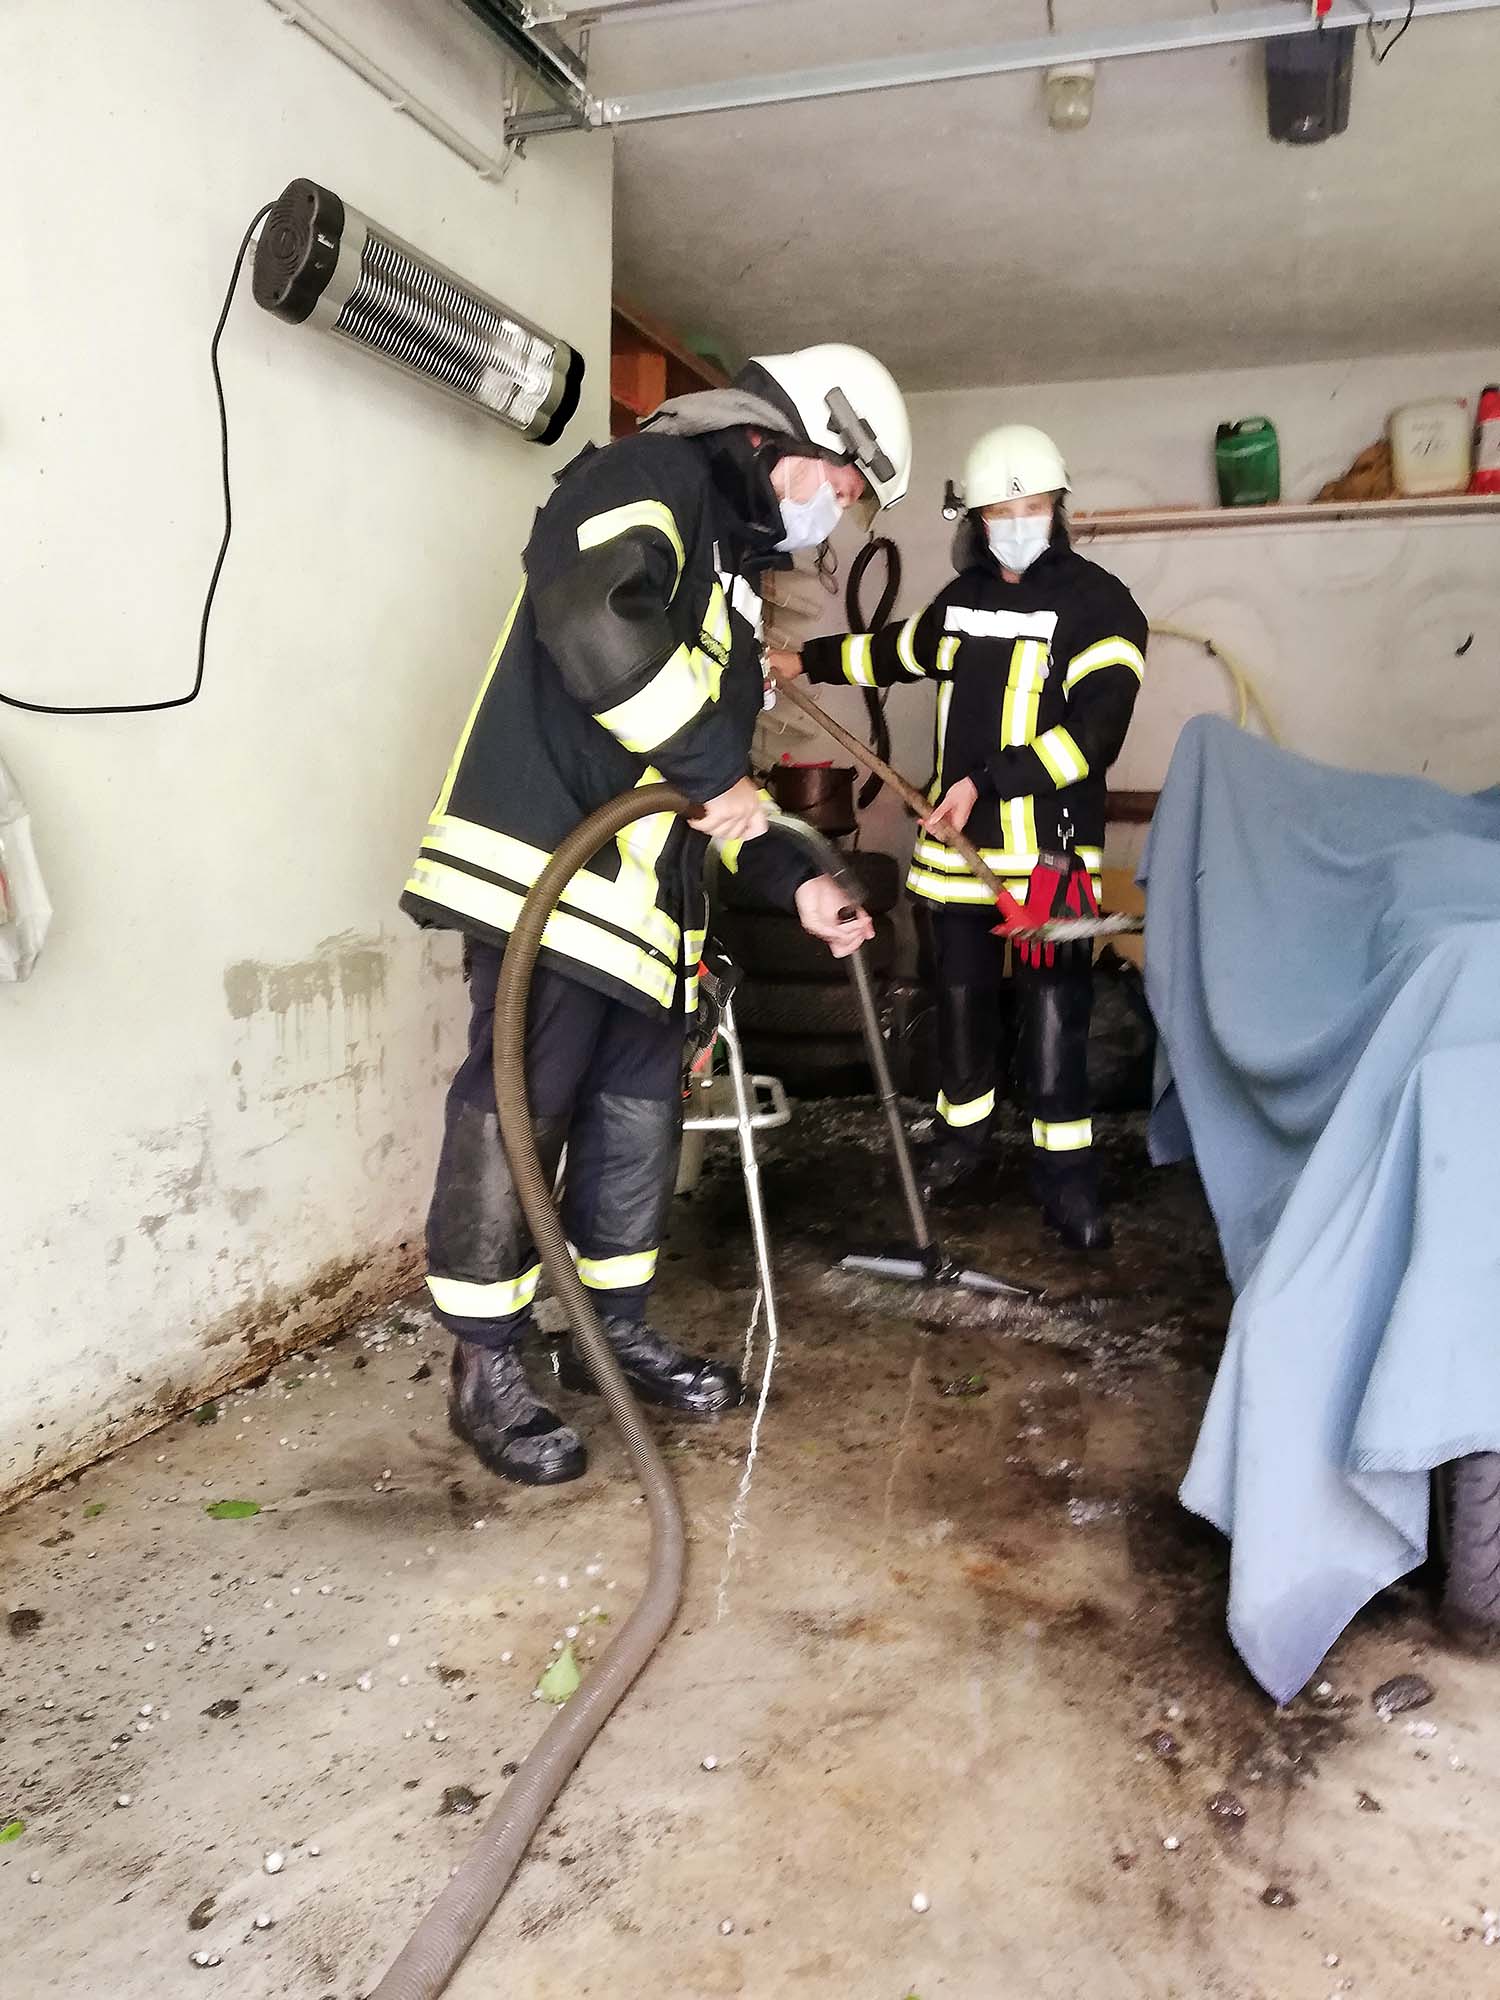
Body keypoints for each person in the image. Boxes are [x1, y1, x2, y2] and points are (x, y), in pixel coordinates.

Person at [401, 346, 912, 1483]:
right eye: (843, 487)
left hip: (646, 917)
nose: (836, 515)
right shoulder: (653, 474)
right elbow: (593, 611)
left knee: (635, 1123)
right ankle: (485, 1363)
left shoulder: (732, 577)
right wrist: (714, 769)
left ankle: (609, 1333)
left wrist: (798, 882)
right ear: (789, 445)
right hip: (552, 882)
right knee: (518, 1113)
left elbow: (715, 787)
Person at [769, 424, 1145, 1251]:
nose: (1018, 524)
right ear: (974, 520)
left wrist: (988, 783)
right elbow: (892, 652)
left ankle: (1065, 1175)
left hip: (1048, 861)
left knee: (1056, 1015)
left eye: (1034, 507)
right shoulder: (961, 601)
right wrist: (802, 662)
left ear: (1059, 511)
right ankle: (962, 1142)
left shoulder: (1101, 606)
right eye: (1001, 511)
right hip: (954, 862)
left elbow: (1096, 735)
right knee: (961, 1006)